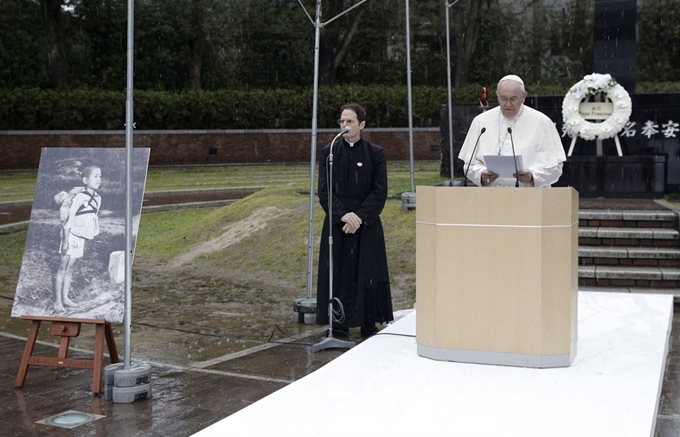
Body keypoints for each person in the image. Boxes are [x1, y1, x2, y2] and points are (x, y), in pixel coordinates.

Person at [316, 103, 394, 339]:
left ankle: (368, 324)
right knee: (338, 273)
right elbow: (325, 190)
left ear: (361, 124)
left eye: (350, 121)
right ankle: (338, 325)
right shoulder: (329, 152)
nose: (345, 126)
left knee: (367, 274)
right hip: (338, 226)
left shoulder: (375, 154)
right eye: (342, 122)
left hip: (366, 226)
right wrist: (342, 215)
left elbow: (380, 191)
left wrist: (359, 216)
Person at [458, 74, 567, 187]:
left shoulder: (542, 122)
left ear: (524, 96)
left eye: (513, 99)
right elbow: (468, 165)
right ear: (497, 95)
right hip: (491, 197)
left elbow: (556, 169)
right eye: (503, 98)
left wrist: (533, 176)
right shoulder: (481, 121)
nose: (508, 104)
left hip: (530, 197)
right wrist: (481, 174)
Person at [53, 165, 102, 312]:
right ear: (85, 180)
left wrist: (90, 234)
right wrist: (66, 240)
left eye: (100, 176)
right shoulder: (80, 197)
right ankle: (57, 301)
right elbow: (69, 218)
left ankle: (66, 298)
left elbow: (93, 218)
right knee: (62, 268)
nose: (99, 179)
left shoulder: (98, 199)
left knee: (71, 269)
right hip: (70, 235)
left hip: (80, 237)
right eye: (95, 176)